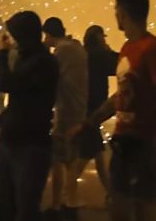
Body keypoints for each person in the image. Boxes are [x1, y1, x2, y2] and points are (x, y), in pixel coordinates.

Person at [70, 0, 156, 221]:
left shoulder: (153, 48)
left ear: (123, 12)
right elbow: (120, 96)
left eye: (116, 9)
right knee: (118, 207)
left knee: (143, 209)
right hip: (123, 141)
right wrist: (90, 123)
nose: (114, 15)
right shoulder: (127, 49)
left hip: (144, 142)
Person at [0, 11, 59, 221]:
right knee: (4, 208)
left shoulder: (42, 62)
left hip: (30, 146)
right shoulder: (30, 58)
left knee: (25, 211)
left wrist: (2, 55)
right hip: (14, 142)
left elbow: (7, 84)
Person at [42, 17, 88, 221]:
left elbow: (51, 75)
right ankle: (70, 202)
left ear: (49, 35)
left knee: (59, 159)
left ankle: (59, 205)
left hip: (66, 109)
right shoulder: (77, 47)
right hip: (79, 107)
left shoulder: (62, 52)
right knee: (71, 160)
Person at [78, 25, 117, 201]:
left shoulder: (84, 53)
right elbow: (120, 65)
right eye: (103, 36)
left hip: (85, 105)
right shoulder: (100, 55)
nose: (105, 39)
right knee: (86, 155)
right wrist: (109, 50)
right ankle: (65, 195)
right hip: (94, 108)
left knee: (97, 153)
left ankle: (110, 192)